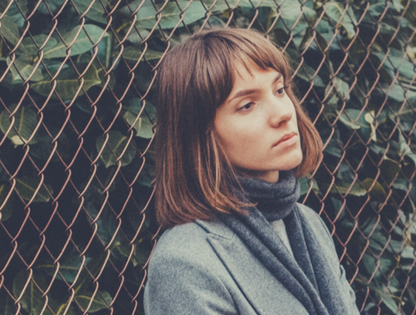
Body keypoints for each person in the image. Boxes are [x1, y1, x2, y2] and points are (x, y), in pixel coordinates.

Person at [143, 27, 360, 315]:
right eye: (247, 105)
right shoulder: (185, 262)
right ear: (201, 134)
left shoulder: (310, 226)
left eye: (280, 90)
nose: (283, 113)